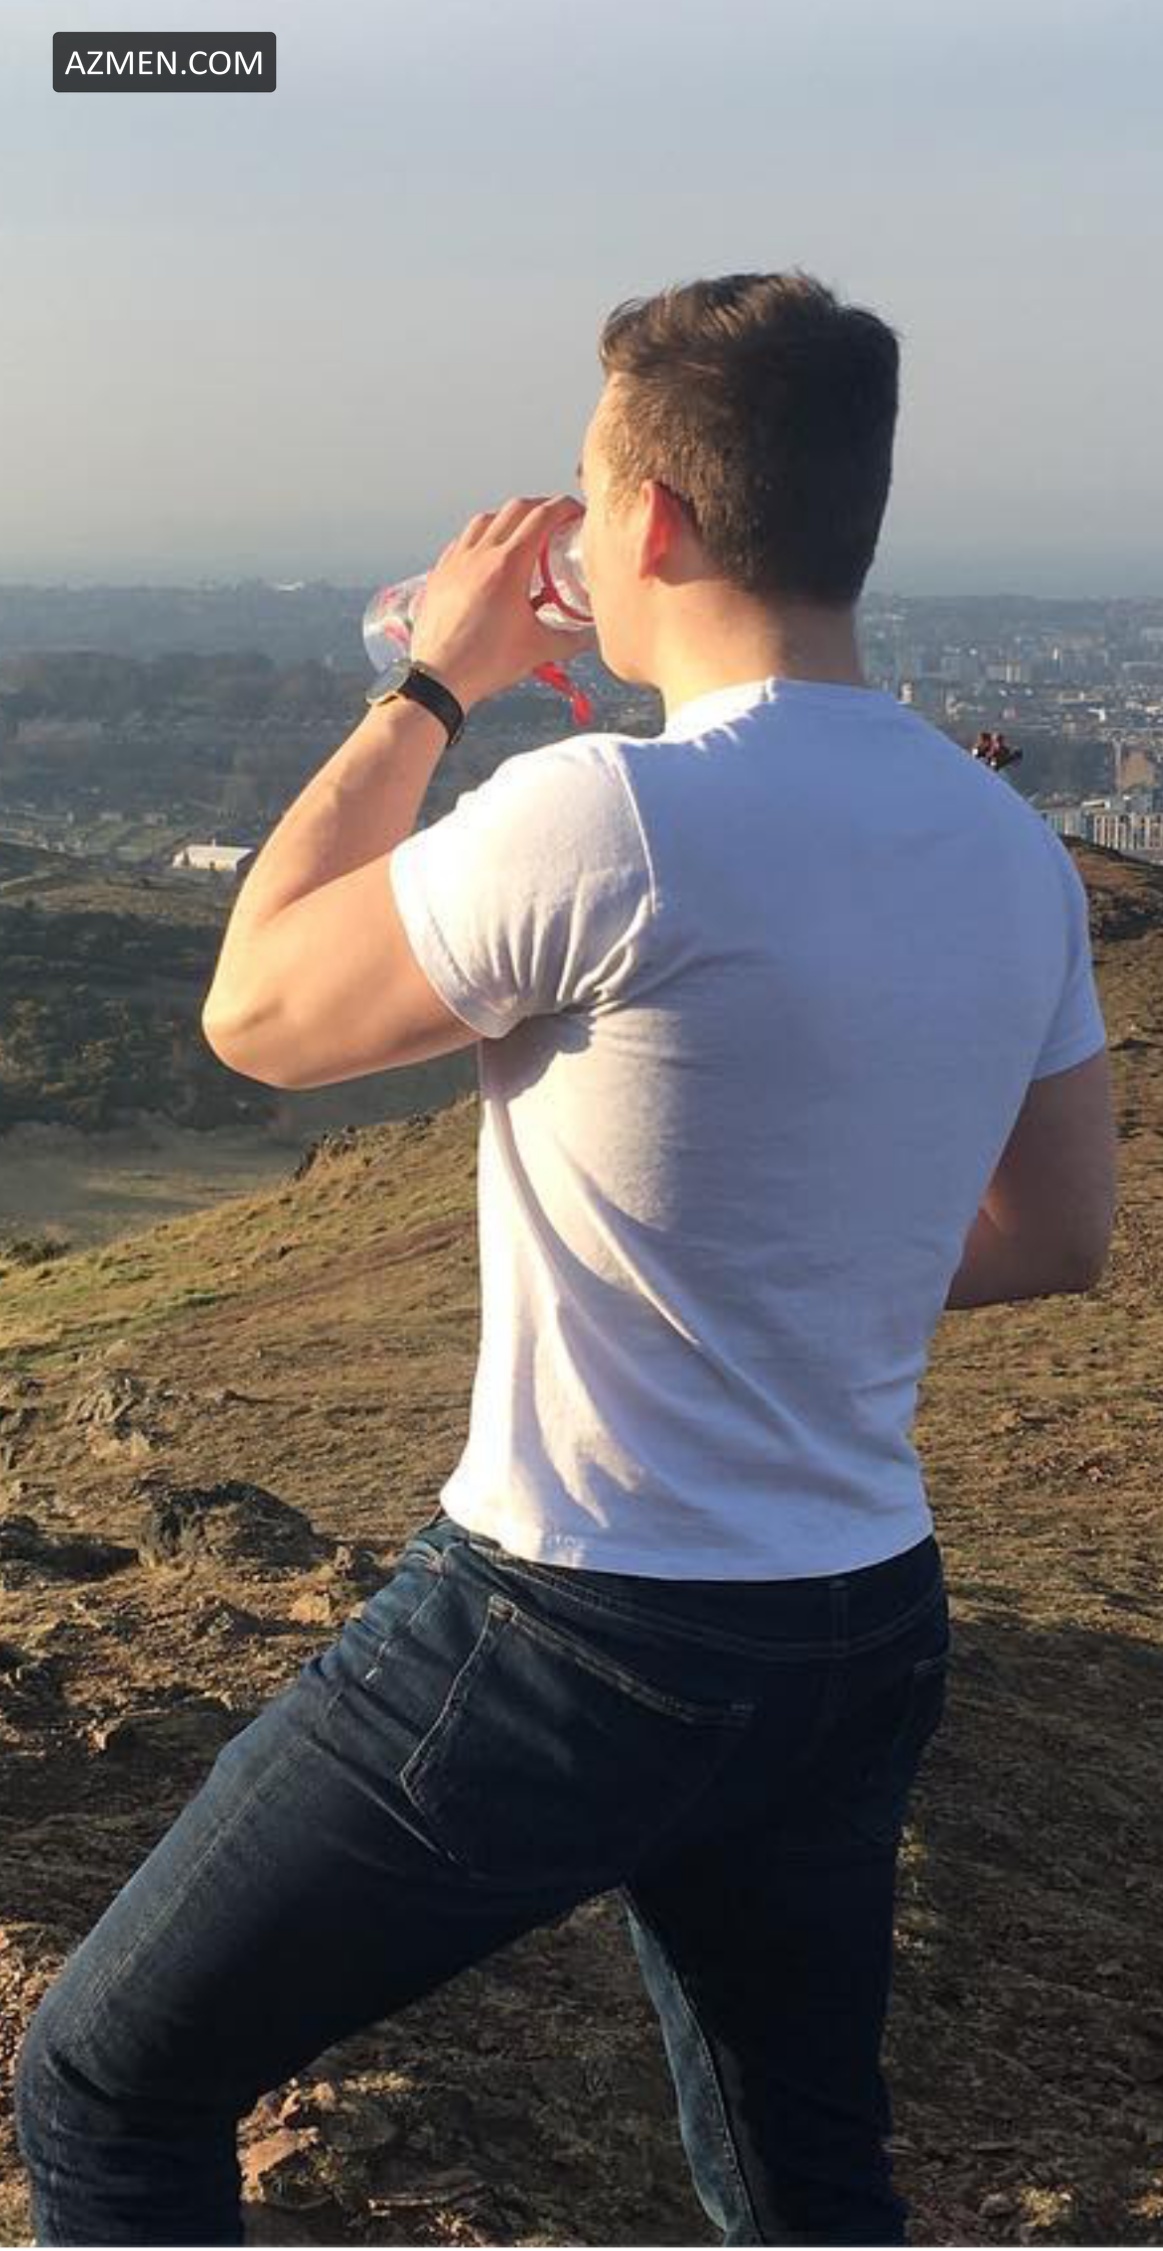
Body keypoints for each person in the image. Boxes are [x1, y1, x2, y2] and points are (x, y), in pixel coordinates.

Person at [15, 271, 1117, 2248]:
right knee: (804, 2181)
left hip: (577, 1620)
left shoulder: (611, 812)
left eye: (591, 496)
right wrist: (806, 1270)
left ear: (656, 520)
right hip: (858, 1621)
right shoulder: (1005, 845)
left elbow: (255, 1013)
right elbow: (1056, 1233)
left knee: (108, 2083)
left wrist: (433, 682)